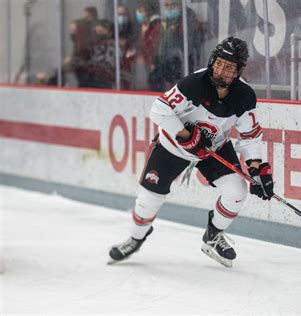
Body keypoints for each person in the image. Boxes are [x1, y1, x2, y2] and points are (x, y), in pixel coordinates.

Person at [108, 37, 274, 268]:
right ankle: (136, 238)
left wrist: (258, 170)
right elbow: (159, 110)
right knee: (147, 200)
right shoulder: (194, 84)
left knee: (237, 191)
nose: (222, 70)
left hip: (213, 149)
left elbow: (250, 137)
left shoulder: (244, 96)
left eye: (229, 67)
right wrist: (186, 136)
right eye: (219, 63)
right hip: (171, 147)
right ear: (212, 60)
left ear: (238, 71)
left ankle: (213, 236)